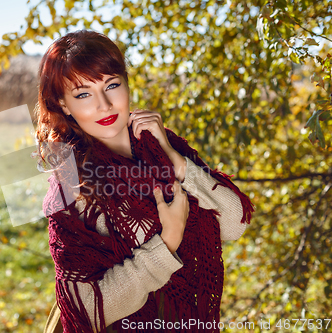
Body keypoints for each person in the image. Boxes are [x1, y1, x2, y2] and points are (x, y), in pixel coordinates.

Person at [35, 30, 253, 333]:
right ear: (63, 105)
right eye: (83, 94)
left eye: (112, 85)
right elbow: (86, 309)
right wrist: (168, 242)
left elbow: (235, 223)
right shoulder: (71, 186)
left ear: (126, 84)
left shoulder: (161, 145)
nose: (105, 104)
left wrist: (174, 158)